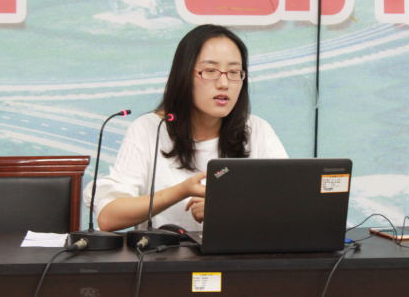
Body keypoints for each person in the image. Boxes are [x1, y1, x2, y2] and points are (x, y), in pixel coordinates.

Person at [86, 24, 288, 232]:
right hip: (164, 253)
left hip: (238, 253)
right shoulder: (149, 129)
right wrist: (182, 191)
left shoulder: (256, 130)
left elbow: (291, 205)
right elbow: (109, 218)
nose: (224, 83)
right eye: (210, 71)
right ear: (184, 75)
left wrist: (228, 209)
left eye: (234, 72)